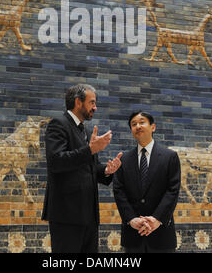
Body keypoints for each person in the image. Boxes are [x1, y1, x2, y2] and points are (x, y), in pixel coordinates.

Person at [42, 83, 122, 253]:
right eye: (92, 102)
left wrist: (107, 171)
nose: (95, 107)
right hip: (67, 215)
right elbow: (56, 161)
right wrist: (90, 149)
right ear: (78, 102)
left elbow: (90, 167)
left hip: (88, 215)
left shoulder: (84, 130)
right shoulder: (58, 124)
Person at [113, 111, 181, 253]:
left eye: (142, 122)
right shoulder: (123, 160)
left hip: (161, 235)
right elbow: (119, 191)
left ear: (153, 127)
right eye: (133, 124)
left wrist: (156, 219)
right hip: (133, 235)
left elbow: (172, 191)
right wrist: (131, 219)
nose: (138, 126)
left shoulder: (170, 157)